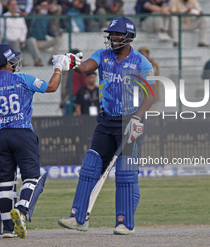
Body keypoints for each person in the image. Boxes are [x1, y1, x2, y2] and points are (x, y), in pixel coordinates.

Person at [58, 17, 156, 235]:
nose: (113, 38)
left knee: (125, 172)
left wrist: (138, 118)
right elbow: (84, 68)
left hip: (131, 120)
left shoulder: (141, 62)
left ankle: (124, 222)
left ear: (129, 37)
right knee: (90, 166)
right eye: (111, 34)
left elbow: (151, 95)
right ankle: (78, 218)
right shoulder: (103, 56)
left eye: (118, 34)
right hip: (106, 120)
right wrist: (70, 62)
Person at [0, 43, 73, 238]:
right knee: (32, 177)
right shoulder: (23, 79)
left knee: (5, 182)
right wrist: (59, 67)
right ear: (8, 62)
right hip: (22, 132)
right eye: (14, 60)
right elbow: (52, 87)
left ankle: (7, 229)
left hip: (0, 137)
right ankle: (22, 209)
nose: (16, 62)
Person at [26, 0, 63, 66]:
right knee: (31, 40)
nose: (46, 8)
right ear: (38, 7)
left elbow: (49, 31)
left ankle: (52, 59)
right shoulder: (31, 16)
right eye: (44, 6)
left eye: (47, 6)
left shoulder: (47, 18)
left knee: (58, 39)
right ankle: (37, 61)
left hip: (43, 41)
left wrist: (56, 34)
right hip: (32, 42)